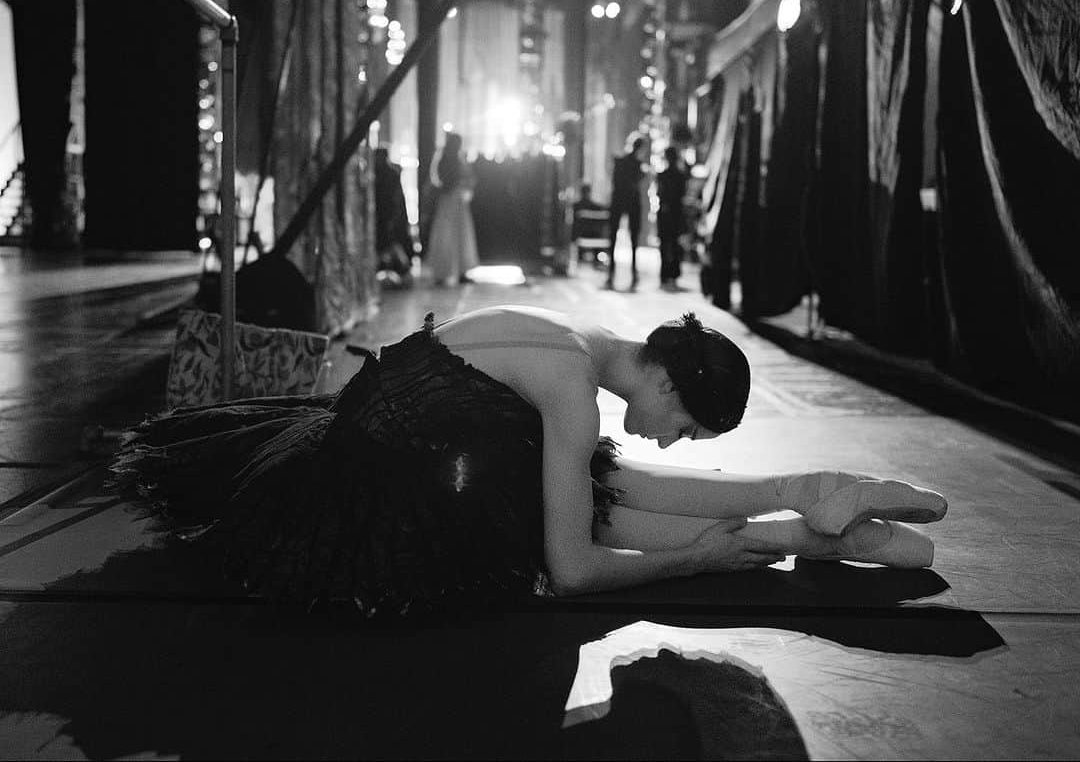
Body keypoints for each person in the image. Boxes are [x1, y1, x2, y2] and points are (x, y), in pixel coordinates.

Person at [109, 305, 948, 616]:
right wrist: (696, 560)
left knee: (609, 488)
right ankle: (811, 525)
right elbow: (573, 571)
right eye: (686, 421)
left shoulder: (573, 336)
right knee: (613, 502)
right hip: (380, 487)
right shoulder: (573, 392)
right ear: (660, 374)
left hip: (438, 456)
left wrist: (697, 555)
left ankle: (814, 502)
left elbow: (572, 536)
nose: (671, 434)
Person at [425, 131, 478, 286]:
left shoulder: (459, 159)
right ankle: (442, 271)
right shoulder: (445, 160)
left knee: (460, 235)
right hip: (449, 200)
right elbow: (442, 179)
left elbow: (469, 178)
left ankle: (462, 269)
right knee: (446, 235)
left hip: (458, 201)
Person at [605, 133, 650, 290]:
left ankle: (612, 271)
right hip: (629, 201)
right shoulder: (636, 166)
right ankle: (631, 270)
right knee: (633, 239)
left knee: (614, 237)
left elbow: (615, 182)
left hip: (619, 200)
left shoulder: (621, 162)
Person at [374, 147, 414, 286]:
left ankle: (398, 270)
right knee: (388, 245)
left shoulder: (388, 175)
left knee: (391, 244)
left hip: (388, 216)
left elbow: (395, 198)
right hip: (384, 216)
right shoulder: (381, 174)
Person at [657, 145, 688, 289]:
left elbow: (660, 194)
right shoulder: (680, 176)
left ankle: (665, 274)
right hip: (675, 213)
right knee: (674, 244)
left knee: (665, 244)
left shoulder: (663, 175)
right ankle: (673, 273)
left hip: (666, 213)